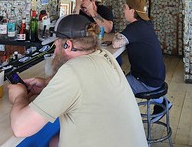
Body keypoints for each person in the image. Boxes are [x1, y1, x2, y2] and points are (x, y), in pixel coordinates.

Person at [8, 14, 147, 147]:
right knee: (55, 142)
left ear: (68, 45)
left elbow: (21, 128)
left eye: (56, 46)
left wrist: (19, 96)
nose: (55, 52)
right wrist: (47, 84)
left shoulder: (72, 71)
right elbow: (86, 85)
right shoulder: (105, 56)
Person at [112, 0, 170, 118]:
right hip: (156, 76)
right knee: (122, 77)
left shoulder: (135, 28)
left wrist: (117, 34)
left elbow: (116, 43)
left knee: (114, 89)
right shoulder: (146, 24)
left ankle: (125, 123)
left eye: (125, 8)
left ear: (132, 11)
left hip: (146, 80)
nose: (123, 11)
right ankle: (161, 101)